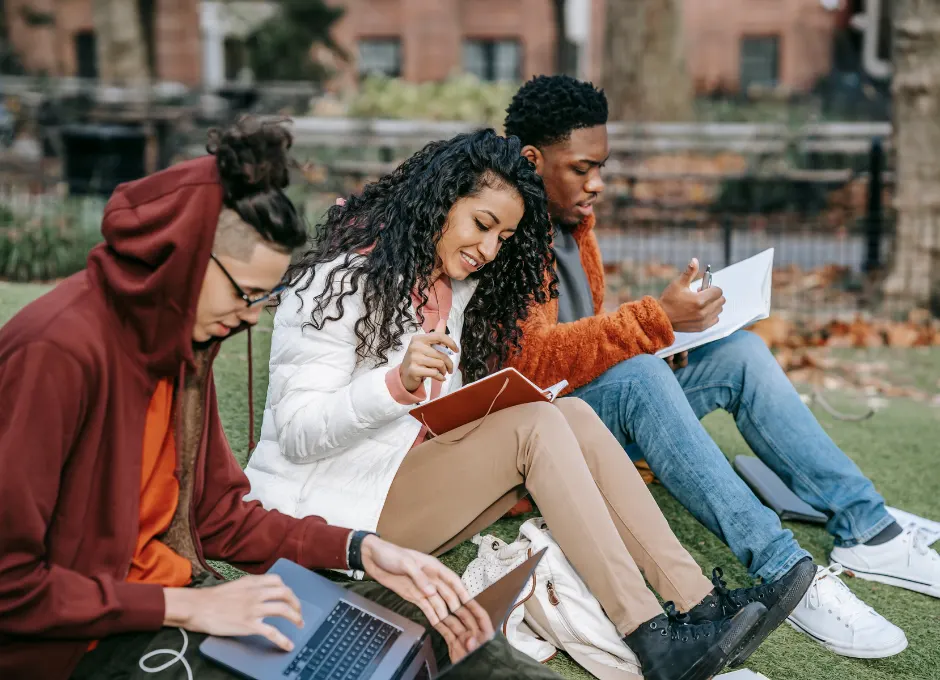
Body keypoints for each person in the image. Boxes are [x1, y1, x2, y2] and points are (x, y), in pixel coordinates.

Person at [0, 118, 551, 680]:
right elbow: (11, 585)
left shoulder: (181, 348)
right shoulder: (56, 352)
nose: (247, 318)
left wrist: (361, 550)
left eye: (261, 298)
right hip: (84, 647)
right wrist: (185, 606)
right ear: (182, 257)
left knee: (444, 632)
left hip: (175, 602)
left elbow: (219, 519)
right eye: (243, 296)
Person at [245, 128, 781, 680]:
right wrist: (395, 382)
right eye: (481, 224)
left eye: (503, 237)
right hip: (327, 517)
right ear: (439, 201)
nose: (487, 250)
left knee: (569, 413)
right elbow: (297, 432)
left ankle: (696, 603)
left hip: (388, 485)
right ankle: (650, 635)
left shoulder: (450, 289)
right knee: (536, 427)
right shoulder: (338, 282)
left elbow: (424, 424)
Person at [502, 74, 936, 659]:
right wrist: (651, 320)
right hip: (540, 441)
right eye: (582, 168)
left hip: (589, 404)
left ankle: (866, 528)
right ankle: (788, 572)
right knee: (641, 378)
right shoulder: (501, 231)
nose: (597, 183)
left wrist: (663, 333)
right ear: (532, 159)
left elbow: (581, 340)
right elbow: (527, 365)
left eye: (601, 166)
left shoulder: (574, 223)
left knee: (740, 355)